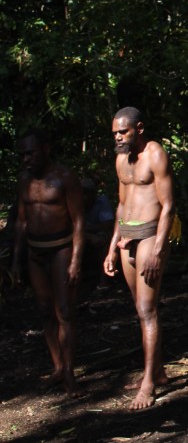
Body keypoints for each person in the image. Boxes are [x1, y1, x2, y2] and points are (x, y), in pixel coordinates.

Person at [103, 107, 174, 410]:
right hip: (126, 237)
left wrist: (158, 249)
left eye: (123, 132)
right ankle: (157, 372)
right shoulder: (121, 159)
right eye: (115, 133)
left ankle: (148, 384)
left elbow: (168, 206)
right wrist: (111, 248)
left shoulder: (155, 154)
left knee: (147, 309)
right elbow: (121, 206)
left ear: (139, 128)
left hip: (149, 238)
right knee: (139, 309)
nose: (118, 137)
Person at [12, 129, 86, 396]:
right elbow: (21, 221)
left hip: (61, 250)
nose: (26, 159)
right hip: (35, 252)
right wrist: (16, 260)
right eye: (22, 154)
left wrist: (76, 259)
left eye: (30, 153)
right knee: (45, 310)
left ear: (45, 149)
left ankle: (69, 372)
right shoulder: (23, 181)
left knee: (65, 311)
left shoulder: (65, 178)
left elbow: (78, 221)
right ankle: (57, 367)